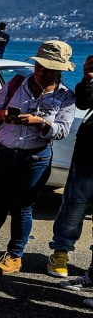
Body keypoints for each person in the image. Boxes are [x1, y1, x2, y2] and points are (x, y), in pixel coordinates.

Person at [0, 41, 76, 274]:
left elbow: (62, 130)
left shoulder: (66, 97)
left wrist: (40, 123)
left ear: (59, 71)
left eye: (48, 68)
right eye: (39, 66)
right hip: (2, 151)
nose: (41, 71)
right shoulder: (16, 84)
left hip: (35, 158)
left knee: (22, 207)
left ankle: (15, 256)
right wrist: (3, 115)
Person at [48, 54, 93, 278]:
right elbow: (84, 101)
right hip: (88, 155)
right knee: (74, 206)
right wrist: (89, 79)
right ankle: (60, 252)